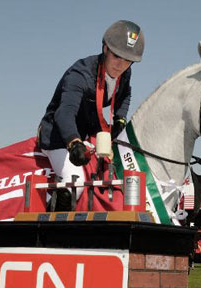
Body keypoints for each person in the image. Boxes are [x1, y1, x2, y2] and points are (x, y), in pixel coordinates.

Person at [37, 20, 144, 210]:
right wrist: (73, 142)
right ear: (105, 49)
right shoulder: (80, 74)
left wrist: (120, 118)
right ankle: (53, 233)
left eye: (128, 60)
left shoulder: (125, 73)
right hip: (59, 134)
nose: (121, 65)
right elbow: (65, 113)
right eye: (117, 57)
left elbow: (125, 94)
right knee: (74, 183)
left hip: (87, 131)